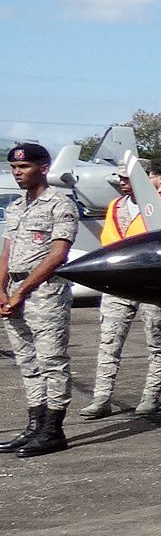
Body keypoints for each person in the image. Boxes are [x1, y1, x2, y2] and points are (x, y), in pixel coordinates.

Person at [79, 163, 161, 419]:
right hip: (117, 281)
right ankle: (101, 397)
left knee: (157, 341)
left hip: (151, 283)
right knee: (109, 341)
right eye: (120, 178)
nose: (122, 182)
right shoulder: (115, 205)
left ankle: (151, 395)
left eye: (127, 177)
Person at [0, 143, 78, 457]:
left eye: (24, 168)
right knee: (27, 363)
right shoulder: (14, 208)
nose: (17, 174)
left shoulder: (60, 205)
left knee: (51, 362)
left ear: (43, 168)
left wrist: (20, 292)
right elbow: (6, 253)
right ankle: (35, 425)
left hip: (45, 292)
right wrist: (2, 290)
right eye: (14, 168)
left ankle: (53, 430)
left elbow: (57, 254)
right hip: (15, 291)